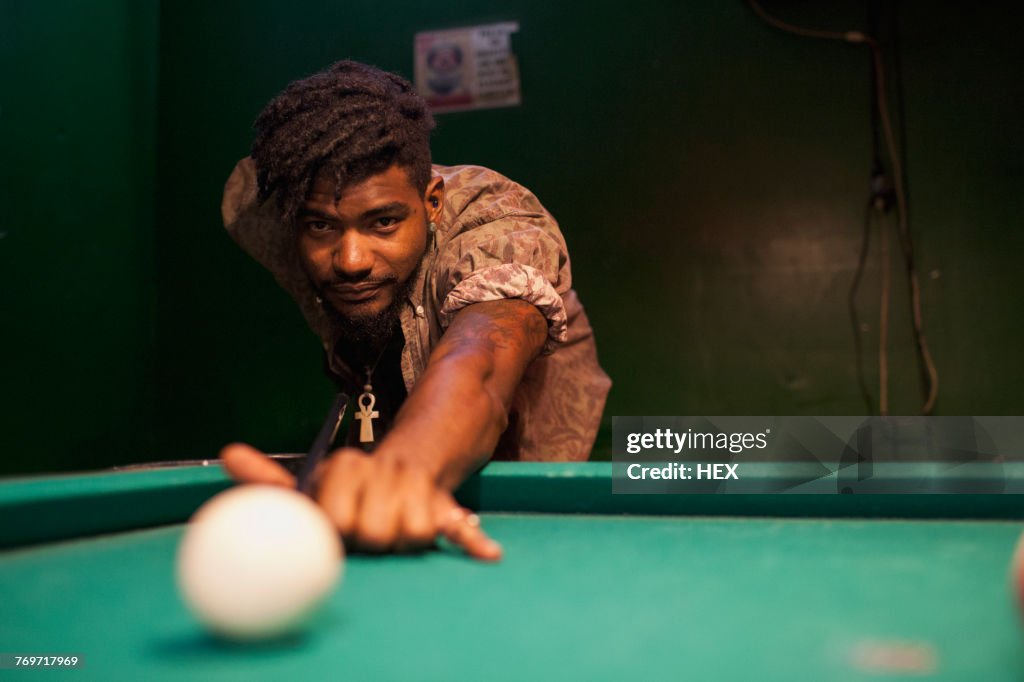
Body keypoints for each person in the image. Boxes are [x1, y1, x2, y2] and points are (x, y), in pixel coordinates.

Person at [219, 61, 610, 560]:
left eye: (383, 222)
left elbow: (483, 360)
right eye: (320, 227)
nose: (351, 261)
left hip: (523, 420)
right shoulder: (270, 206)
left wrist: (404, 467)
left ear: (432, 203)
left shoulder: (498, 225)